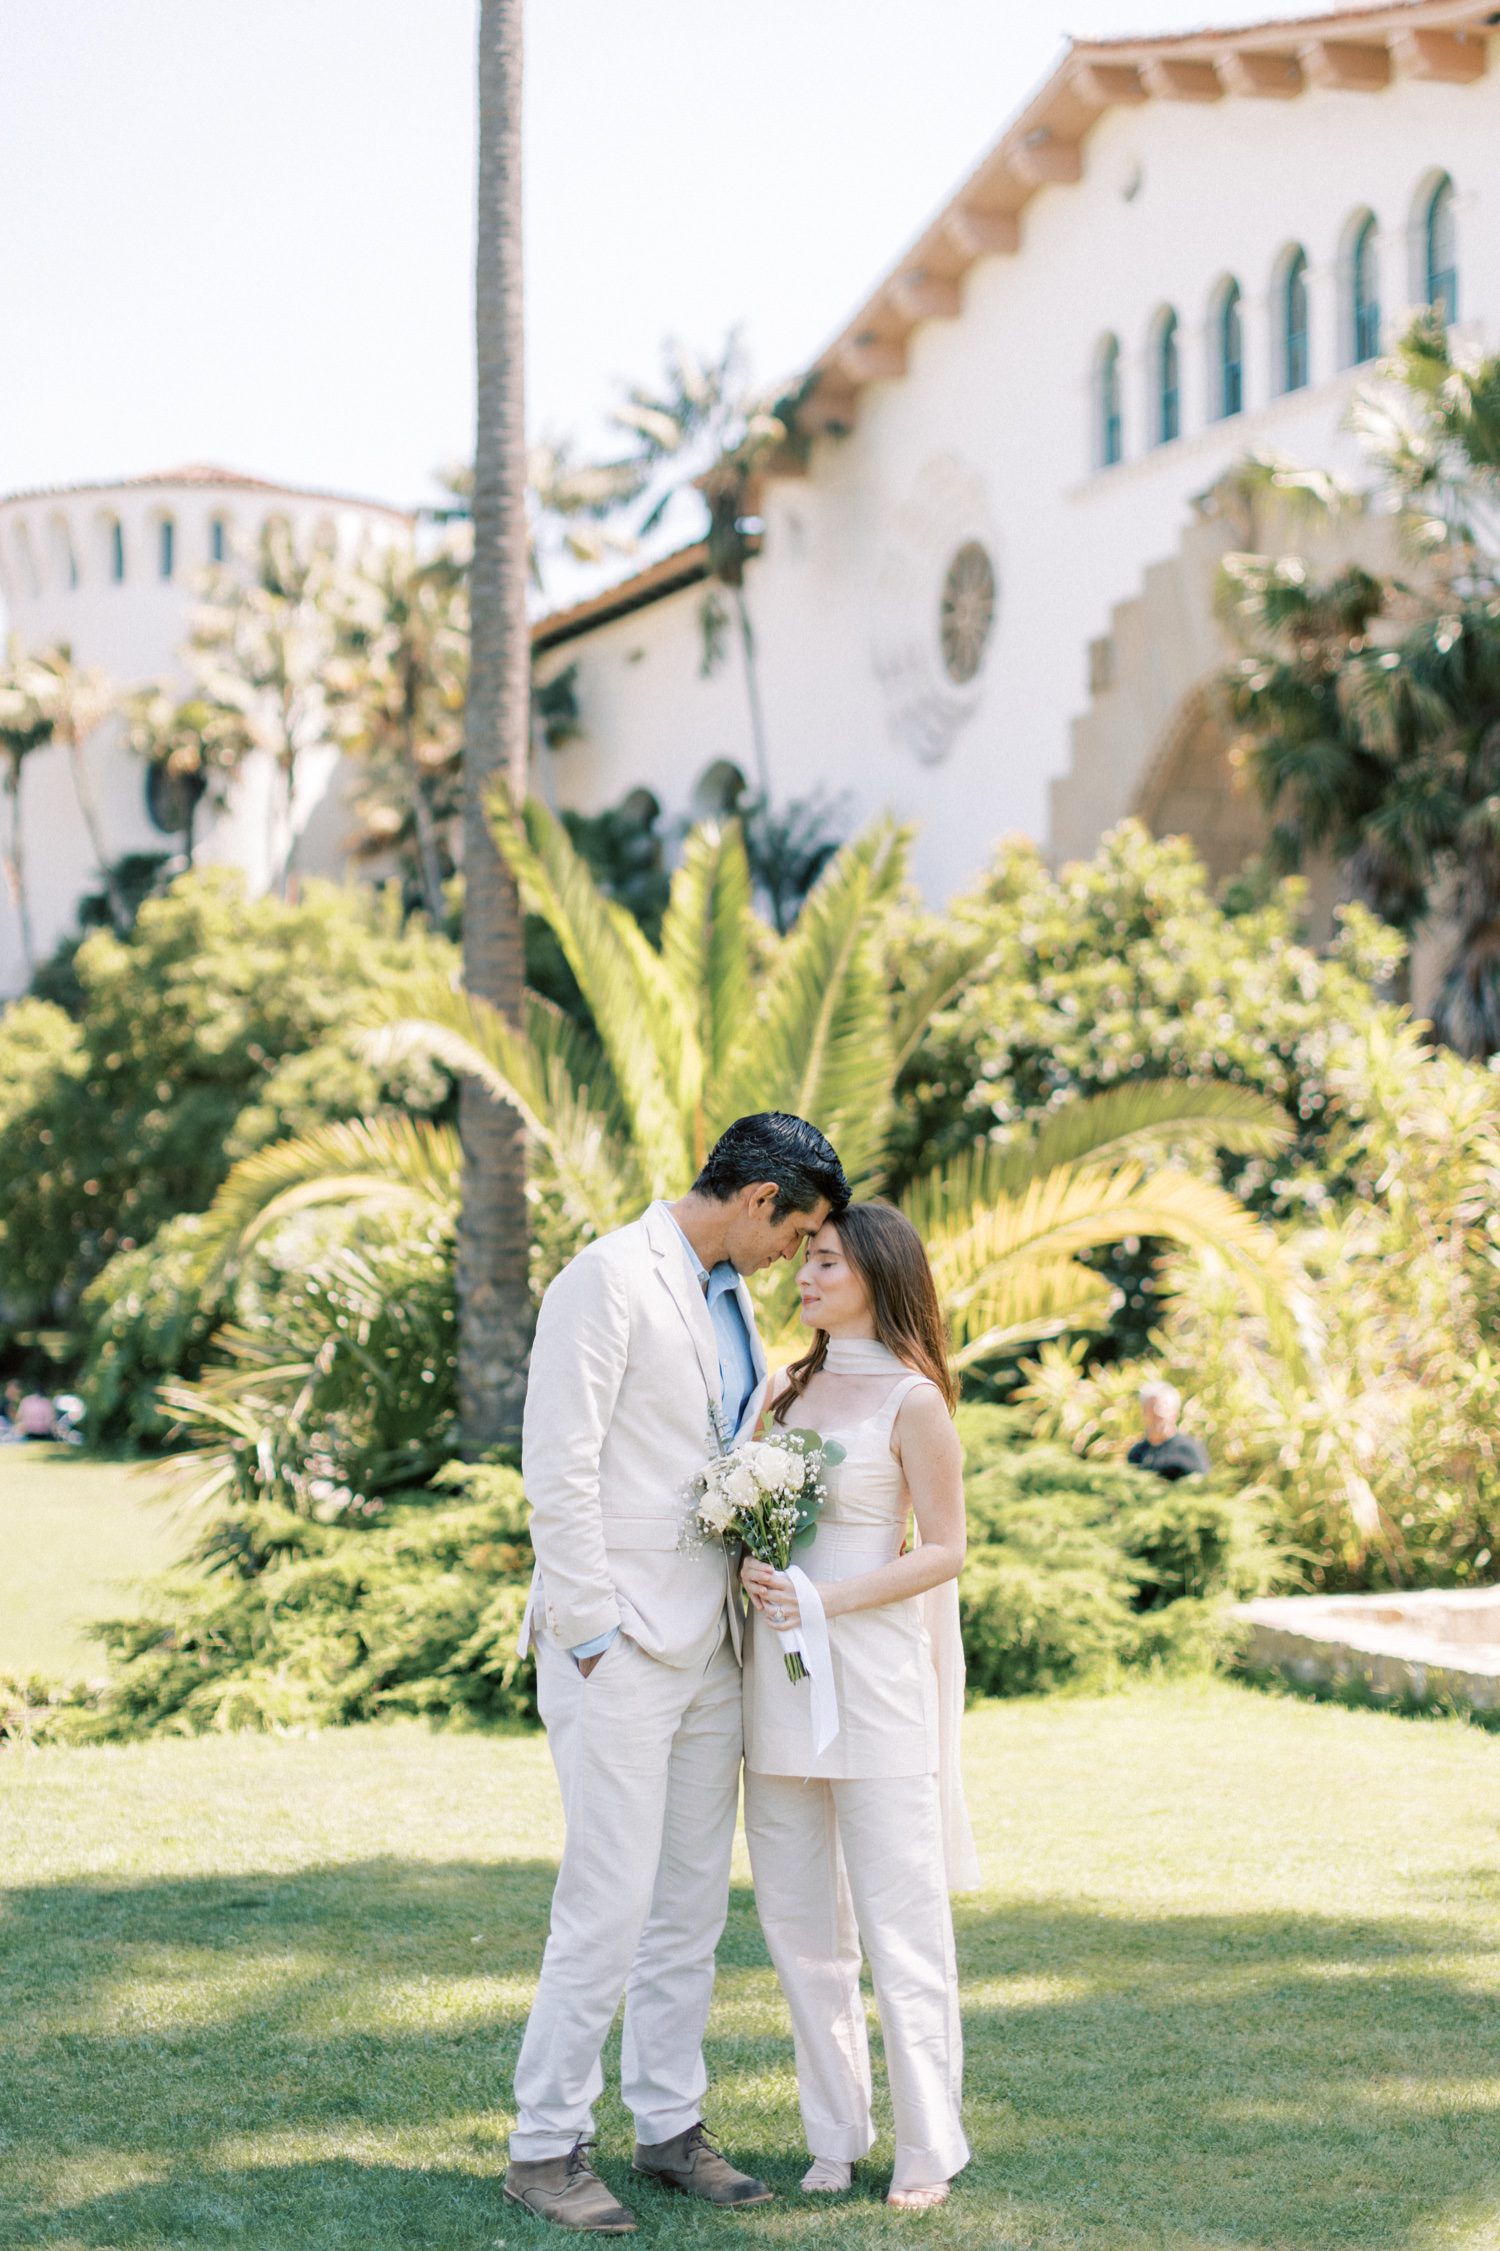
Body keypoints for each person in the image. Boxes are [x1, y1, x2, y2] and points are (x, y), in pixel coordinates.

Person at [504, 1111, 849, 2237]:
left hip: (711, 1647)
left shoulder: (727, 1296)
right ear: (758, 1200)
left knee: (691, 1904)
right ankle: (545, 2146)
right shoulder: (604, 1279)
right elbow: (558, 1467)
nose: (792, 1259)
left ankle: (668, 2125)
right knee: (606, 1899)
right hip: (618, 1646)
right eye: (794, 1234)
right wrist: (592, 1635)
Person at [740, 1202, 978, 2212]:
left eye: (825, 1260)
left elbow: (946, 1547)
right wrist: (753, 1558)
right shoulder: (783, 1390)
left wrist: (828, 1600)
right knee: (800, 1927)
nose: (804, 1274)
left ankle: (930, 2143)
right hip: (777, 1688)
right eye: (804, 1259)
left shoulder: (912, 1402)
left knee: (900, 1925)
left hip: (876, 1687)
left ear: (876, 1272)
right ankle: (833, 2132)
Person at [1127, 1381, 1209, 1482]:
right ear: (1143, 1413)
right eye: (1151, 1408)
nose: (1157, 1413)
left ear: (1175, 1413)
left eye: (1163, 1408)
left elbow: (1202, 1488)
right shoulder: (1137, 1453)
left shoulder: (1188, 1450)